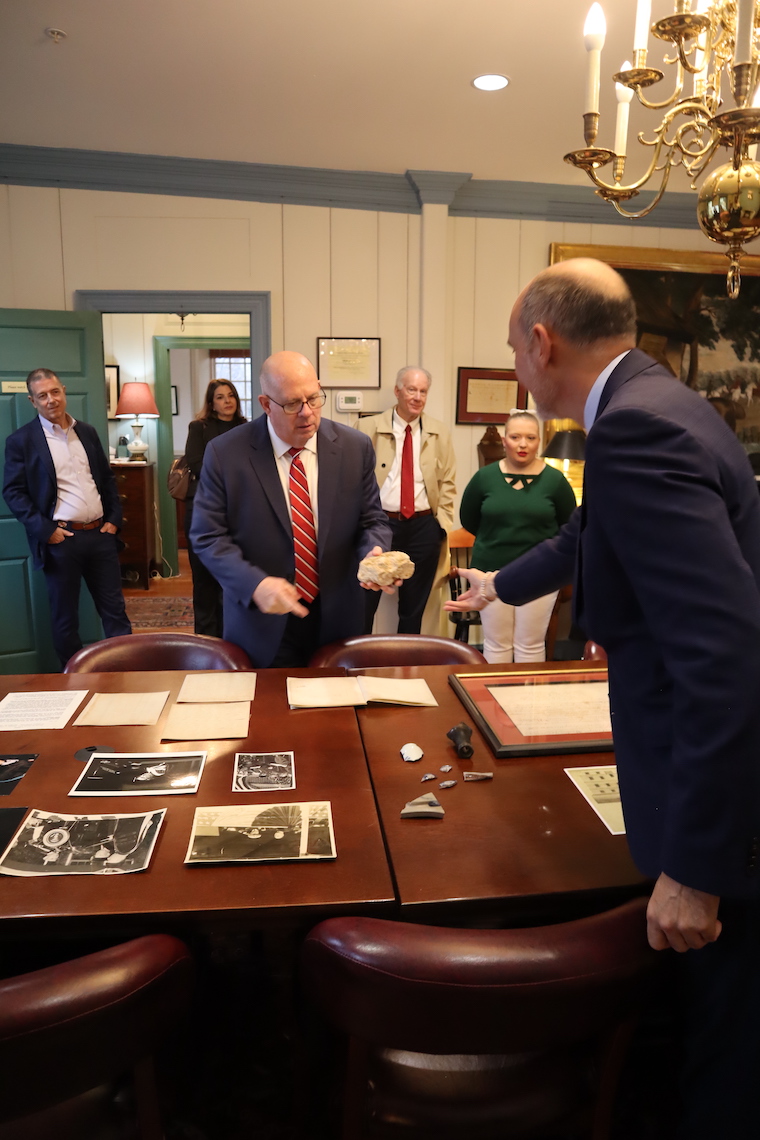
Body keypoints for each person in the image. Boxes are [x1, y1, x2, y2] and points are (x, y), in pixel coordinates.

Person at [446, 257, 760, 1137]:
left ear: (542, 342)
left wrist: (698, 869)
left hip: (716, 808)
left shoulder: (634, 431)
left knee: (724, 1042)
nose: (515, 369)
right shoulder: (655, 404)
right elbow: (589, 534)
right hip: (688, 761)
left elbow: (722, 650)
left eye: (513, 350)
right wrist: (498, 586)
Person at [190, 350, 393, 667]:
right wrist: (254, 584)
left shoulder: (355, 447)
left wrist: (374, 551)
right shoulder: (226, 453)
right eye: (291, 404)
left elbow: (372, 520)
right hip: (263, 620)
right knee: (267, 714)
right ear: (266, 404)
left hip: (338, 617)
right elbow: (208, 536)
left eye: (314, 398)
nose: (307, 413)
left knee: (339, 713)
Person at [3, 368, 131, 668]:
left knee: (115, 612)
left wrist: (114, 518)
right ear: (33, 401)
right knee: (65, 619)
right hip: (62, 541)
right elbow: (13, 492)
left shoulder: (86, 432)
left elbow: (106, 479)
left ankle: (128, 672)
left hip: (101, 536)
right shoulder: (21, 441)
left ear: (63, 391)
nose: (51, 400)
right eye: (42, 396)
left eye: (55, 392)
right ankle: (75, 681)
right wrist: (46, 531)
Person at [458, 410, 576, 662]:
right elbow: (469, 520)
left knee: (530, 645)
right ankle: (489, 701)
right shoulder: (484, 478)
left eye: (530, 438)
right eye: (515, 437)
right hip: (489, 572)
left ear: (539, 442)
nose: (523, 444)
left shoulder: (556, 481)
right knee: (496, 643)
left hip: (540, 573)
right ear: (504, 440)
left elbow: (568, 526)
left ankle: (527, 702)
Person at [358, 366, 456, 633]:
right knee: (364, 602)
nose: (418, 396)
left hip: (424, 528)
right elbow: (353, 480)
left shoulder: (439, 432)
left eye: (423, 391)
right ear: (397, 391)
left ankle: (406, 669)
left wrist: (441, 524)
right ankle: (355, 662)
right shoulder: (367, 427)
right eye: (412, 389)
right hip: (380, 526)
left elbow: (448, 481)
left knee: (414, 609)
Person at [184, 379, 247, 636]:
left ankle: (231, 638)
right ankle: (206, 641)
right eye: (220, 397)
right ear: (211, 403)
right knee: (204, 581)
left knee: (232, 578)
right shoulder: (199, 427)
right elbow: (196, 464)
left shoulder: (247, 427)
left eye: (231, 395)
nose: (227, 401)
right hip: (204, 510)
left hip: (240, 511)